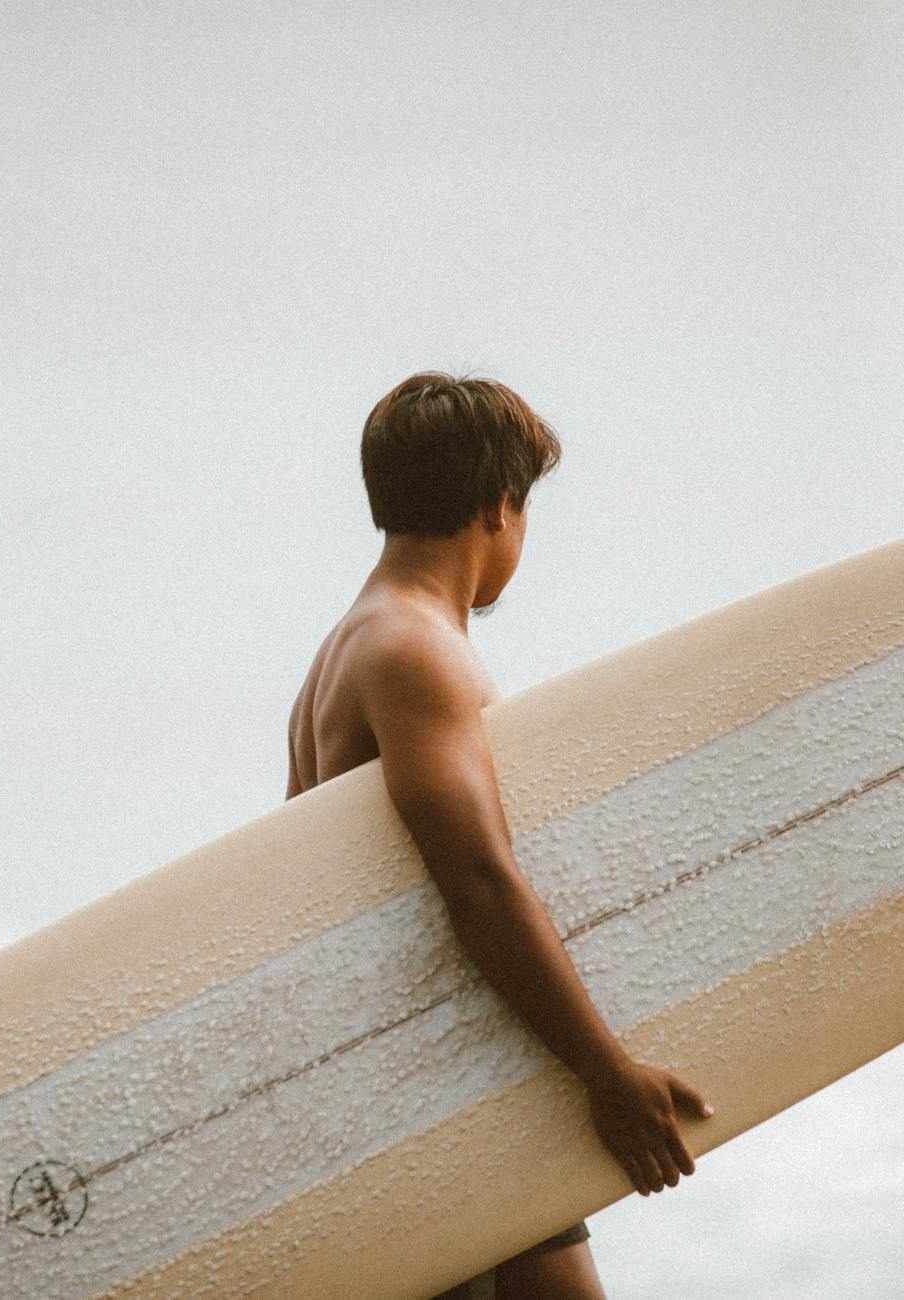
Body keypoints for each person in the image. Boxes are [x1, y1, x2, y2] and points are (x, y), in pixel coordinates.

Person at [284, 371, 715, 1299]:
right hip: (448, 1089)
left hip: (437, 1080)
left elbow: (311, 904)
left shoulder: (344, 650)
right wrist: (607, 1072)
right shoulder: (413, 650)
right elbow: (478, 876)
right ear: (497, 507)